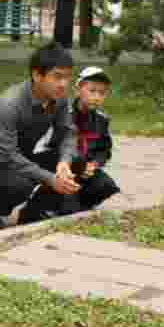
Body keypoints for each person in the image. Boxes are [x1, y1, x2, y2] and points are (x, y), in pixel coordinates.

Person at [0, 42, 81, 229]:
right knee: (21, 185)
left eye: (67, 77)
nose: (64, 84)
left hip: (22, 156)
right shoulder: (9, 104)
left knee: (77, 162)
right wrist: (50, 178)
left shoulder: (59, 99)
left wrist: (64, 163)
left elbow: (68, 133)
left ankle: (44, 206)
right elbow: (8, 156)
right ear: (37, 75)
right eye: (57, 77)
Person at [53, 66, 121, 215]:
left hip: (86, 171)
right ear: (78, 90)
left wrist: (94, 164)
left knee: (107, 185)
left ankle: (78, 205)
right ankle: (61, 204)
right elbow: (53, 147)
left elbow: (104, 150)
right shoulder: (62, 114)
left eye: (102, 93)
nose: (97, 97)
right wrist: (74, 166)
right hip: (63, 170)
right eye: (92, 91)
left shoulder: (102, 120)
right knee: (68, 208)